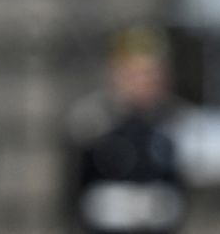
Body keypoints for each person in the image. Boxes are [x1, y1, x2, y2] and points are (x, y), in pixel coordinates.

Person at [65, 26, 186, 234]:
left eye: (150, 75)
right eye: (135, 75)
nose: (143, 83)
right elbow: (74, 193)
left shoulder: (175, 124)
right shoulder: (92, 123)